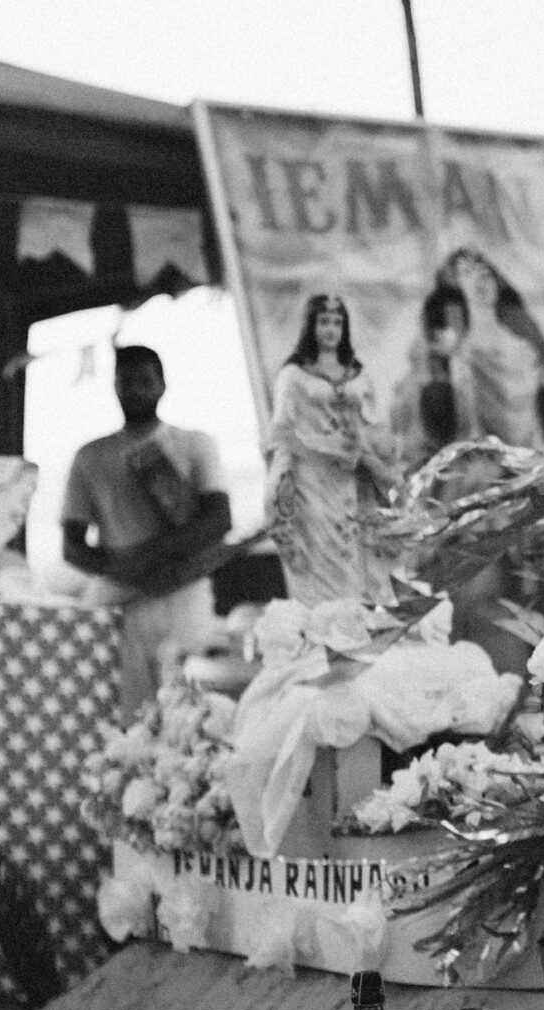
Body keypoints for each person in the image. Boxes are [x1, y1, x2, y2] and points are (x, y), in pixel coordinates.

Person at [62, 346, 234, 711]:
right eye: (126, 382)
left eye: (144, 381)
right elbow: (71, 546)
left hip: (184, 596)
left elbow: (219, 520)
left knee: (190, 712)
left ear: (162, 386)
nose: (135, 391)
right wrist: (124, 570)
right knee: (130, 713)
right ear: (113, 387)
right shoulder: (90, 456)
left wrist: (150, 558)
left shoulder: (195, 444)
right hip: (122, 602)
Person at [265, 292, 399, 604]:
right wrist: (320, 452)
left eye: (337, 322)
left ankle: (360, 620)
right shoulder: (294, 375)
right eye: (324, 321)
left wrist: (375, 455)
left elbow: (373, 423)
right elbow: (281, 430)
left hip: (354, 478)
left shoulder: (358, 373)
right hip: (312, 479)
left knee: (359, 550)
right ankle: (330, 622)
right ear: (311, 326)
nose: (331, 329)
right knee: (323, 554)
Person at [434, 248, 544, 451]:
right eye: (466, 274)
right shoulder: (461, 356)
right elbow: (466, 430)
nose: (478, 282)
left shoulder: (526, 347)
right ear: (455, 286)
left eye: (485, 274)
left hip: (539, 457)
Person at [390, 282, 479, 464]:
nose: (443, 333)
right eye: (438, 324)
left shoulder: (469, 380)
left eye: (455, 325)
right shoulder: (411, 383)